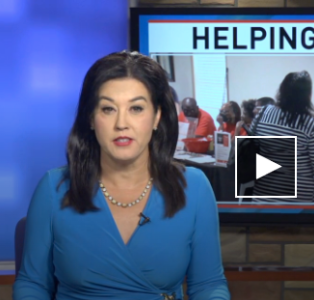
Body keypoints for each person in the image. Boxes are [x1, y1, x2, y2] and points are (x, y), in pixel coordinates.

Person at [13, 51, 230, 300]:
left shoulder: (194, 188)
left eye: (136, 108)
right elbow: (32, 284)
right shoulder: (54, 188)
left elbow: (209, 285)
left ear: (157, 116)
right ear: (92, 118)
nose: (121, 123)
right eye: (108, 109)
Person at [250, 71, 314, 202]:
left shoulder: (263, 113)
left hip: (261, 196)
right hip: (296, 204)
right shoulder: (309, 123)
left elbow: (250, 148)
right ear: (307, 95)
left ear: (281, 91)